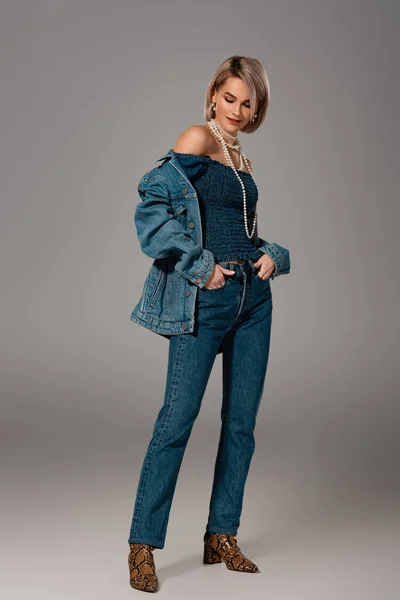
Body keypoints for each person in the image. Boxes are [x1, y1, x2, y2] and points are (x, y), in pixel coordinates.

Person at [127, 55, 291, 592]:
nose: (239, 110)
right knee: (177, 419)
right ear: (213, 95)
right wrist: (200, 267)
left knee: (241, 425)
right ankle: (143, 546)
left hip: (253, 297)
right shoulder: (197, 139)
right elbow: (153, 211)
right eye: (230, 98)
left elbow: (238, 230)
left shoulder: (241, 158)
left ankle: (222, 534)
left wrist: (272, 253)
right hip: (206, 298)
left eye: (249, 102)